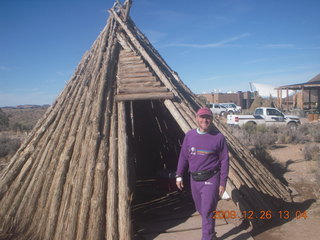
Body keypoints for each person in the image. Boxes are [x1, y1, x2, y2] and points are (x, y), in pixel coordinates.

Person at [176, 107, 229, 240]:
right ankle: (211, 235)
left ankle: (207, 237)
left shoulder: (218, 138)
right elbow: (183, 156)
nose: (205, 120)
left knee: (207, 211)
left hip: (211, 178)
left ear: (211, 119)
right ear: (197, 118)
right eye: (202, 117)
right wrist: (179, 175)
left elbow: (224, 161)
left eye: (208, 117)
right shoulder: (190, 135)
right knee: (201, 210)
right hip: (195, 179)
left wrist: (222, 183)